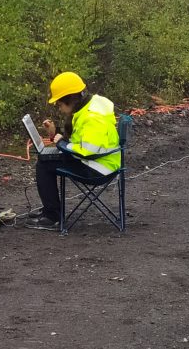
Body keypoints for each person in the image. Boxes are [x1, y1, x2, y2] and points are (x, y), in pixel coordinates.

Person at [27, 71, 121, 230]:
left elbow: (86, 151)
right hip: (97, 161)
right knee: (46, 160)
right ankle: (51, 213)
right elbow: (81, 140)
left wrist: (62, 143)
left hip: (98, 168)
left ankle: (52, 217)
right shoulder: (89, 106)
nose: (60, 108)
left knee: (44, 164)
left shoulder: (92, 117)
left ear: (70, 99)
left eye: (60, 104)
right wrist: (55, 134)